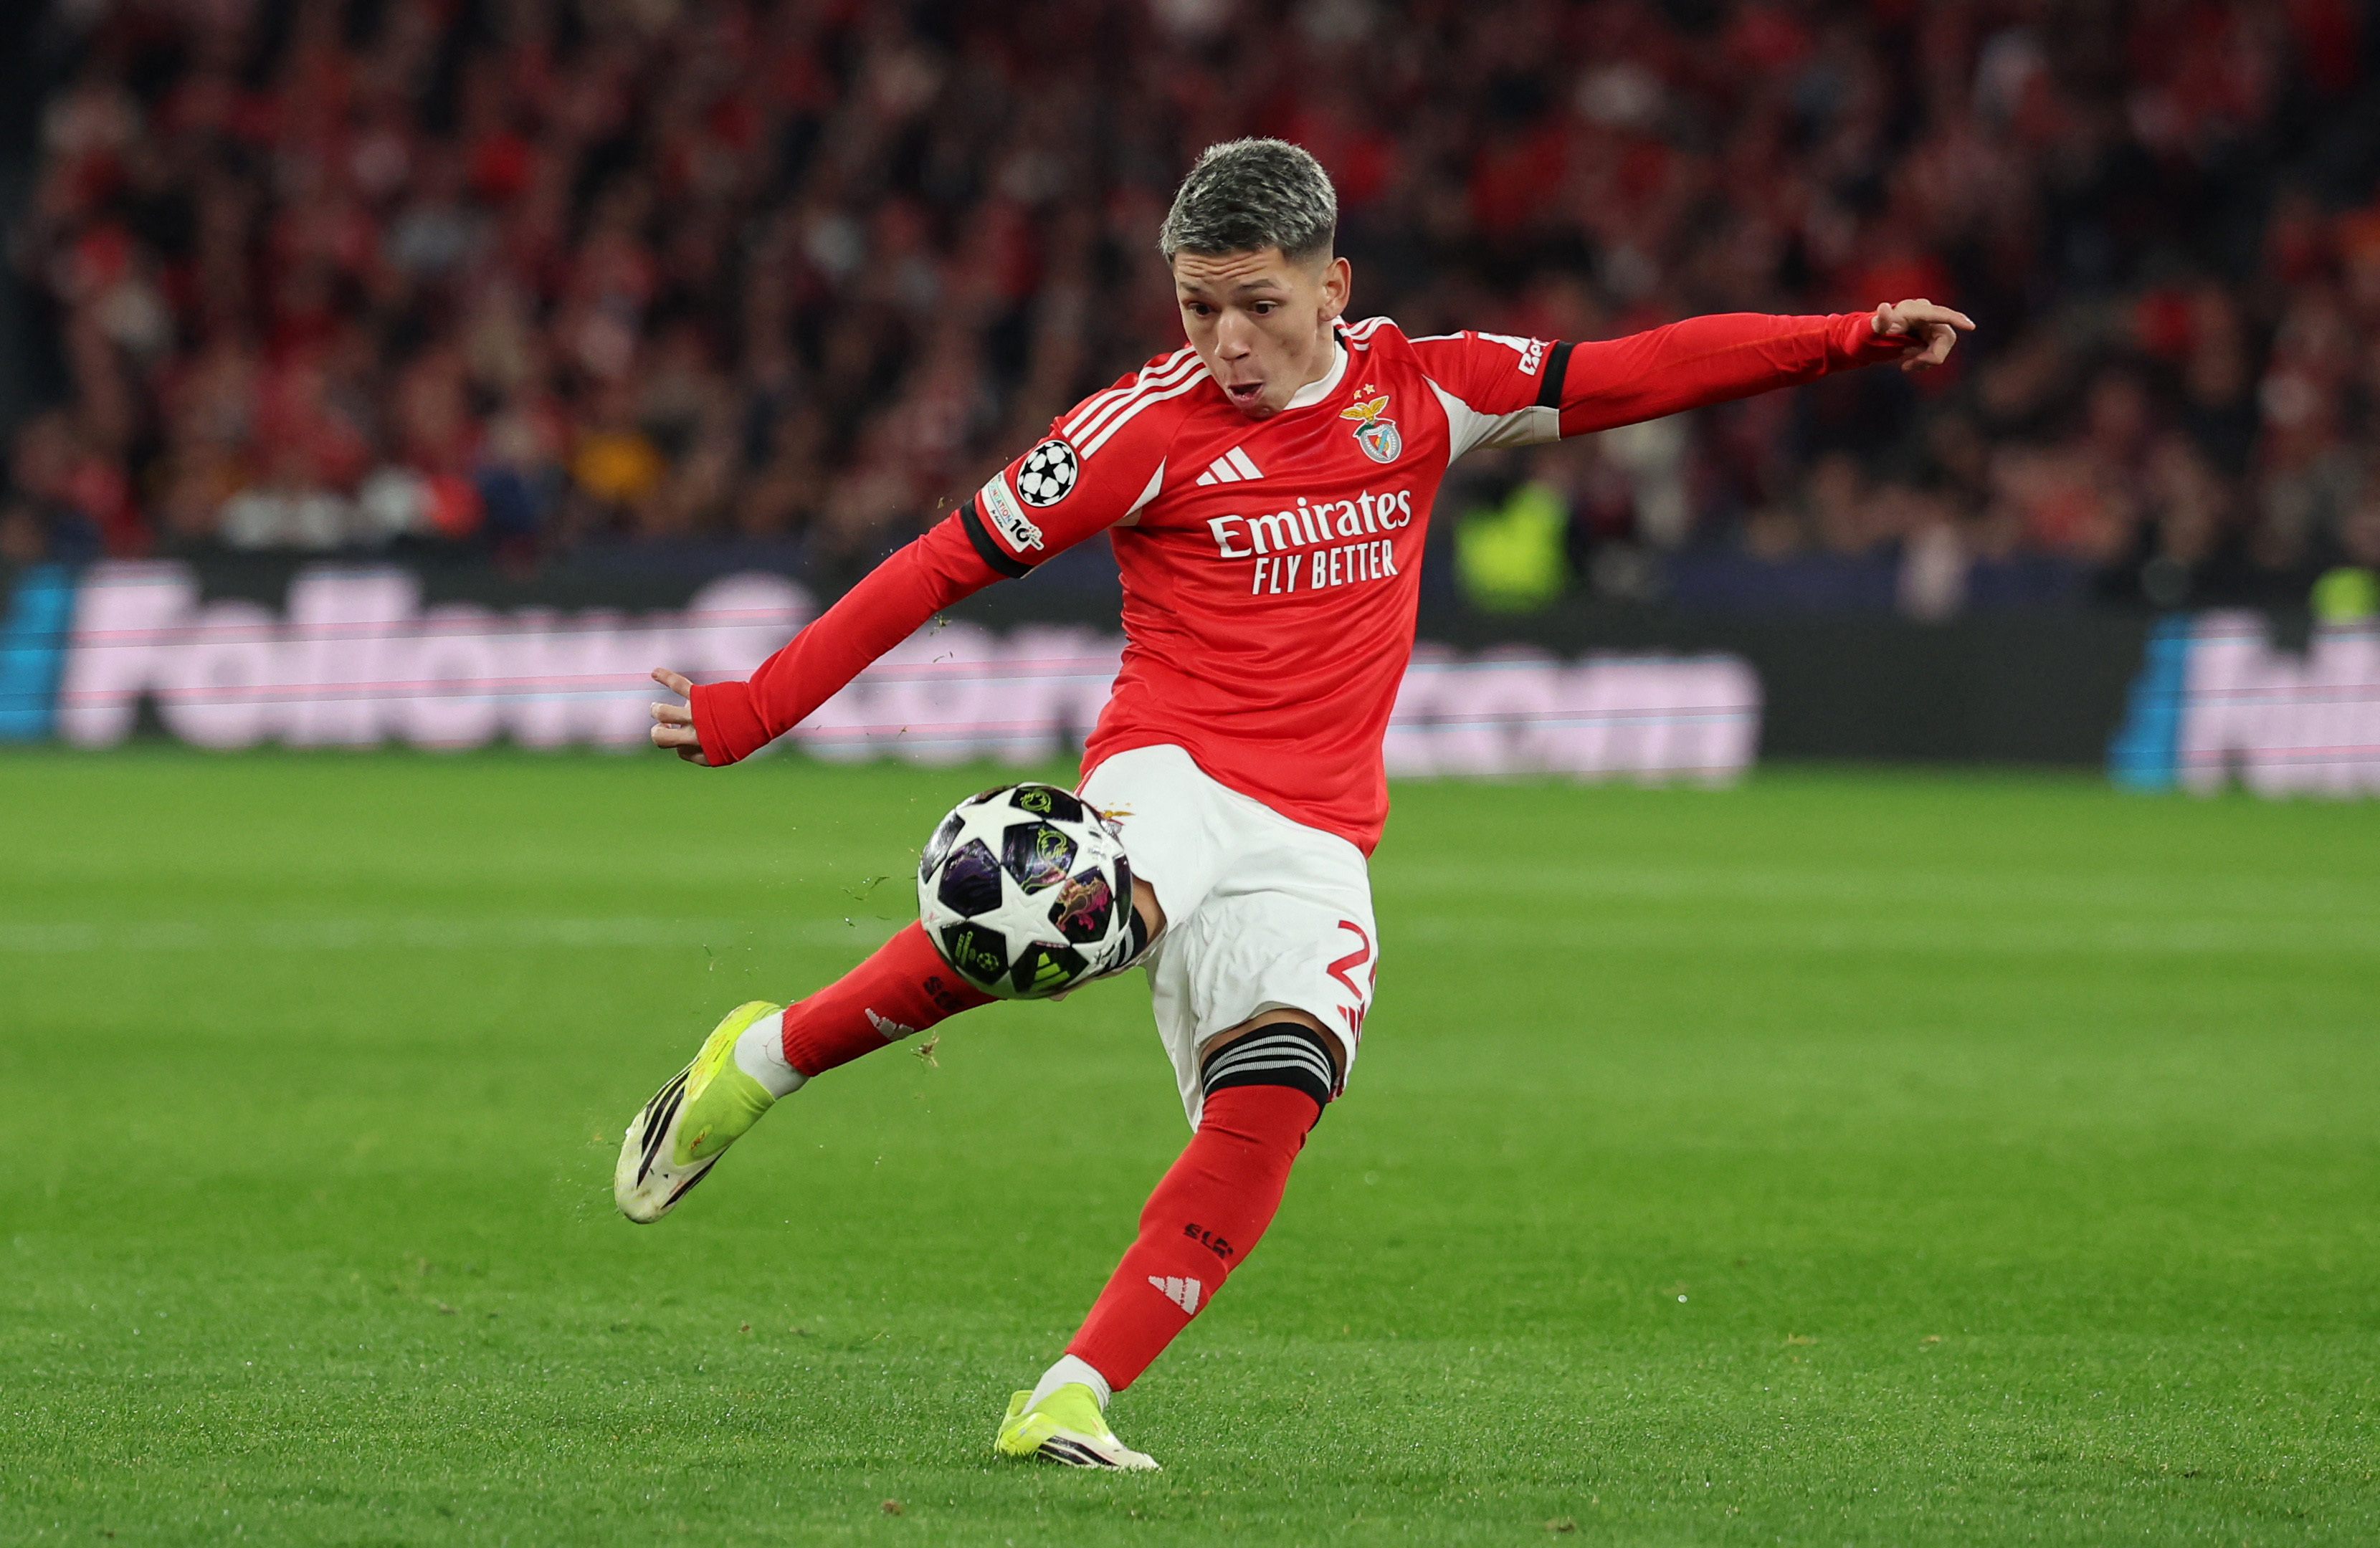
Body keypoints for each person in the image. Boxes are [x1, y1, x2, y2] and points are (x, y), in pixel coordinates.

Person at [614, 138, 1971, 1470]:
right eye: (1199, 307)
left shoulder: (1428, 389)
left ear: (1333, 288)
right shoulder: (1138, 429)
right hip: (1175, 771)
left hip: (1320, 832)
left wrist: (1849, 337)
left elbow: (1638, 371)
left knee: (1277, 1093)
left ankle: (1071, 1396)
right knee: (1065, 918)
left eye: (1258, 305)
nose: (1227, 341)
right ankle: (767, 1061)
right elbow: (937, 566)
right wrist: (756, 709)